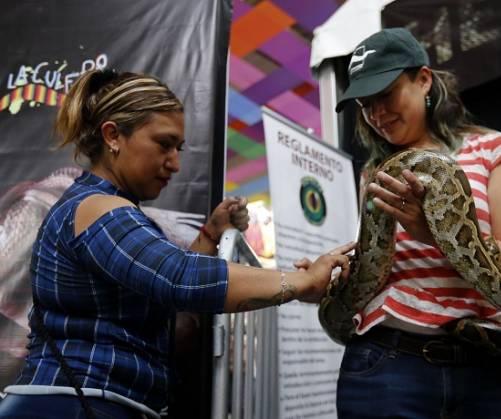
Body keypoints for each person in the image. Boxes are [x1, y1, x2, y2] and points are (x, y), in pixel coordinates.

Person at [0, 69, 354, 419]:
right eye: (164, 144)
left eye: (179, 148)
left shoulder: (109, 209)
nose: (175, 162)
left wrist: (210, 236)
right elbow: (181, 280)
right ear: (113, 136)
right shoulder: (95, 207)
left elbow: (166, 295)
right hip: (70, 404)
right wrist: (302, 281)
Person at [332, 27, 501, 418]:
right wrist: (334, 274)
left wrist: (433, 231)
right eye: (366, 104)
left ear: (423, 79)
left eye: (385, 95)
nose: (376, 114)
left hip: (494, 372)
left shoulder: (490, 150)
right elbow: (381, 267)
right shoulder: (375, 173)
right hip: (388, 363)